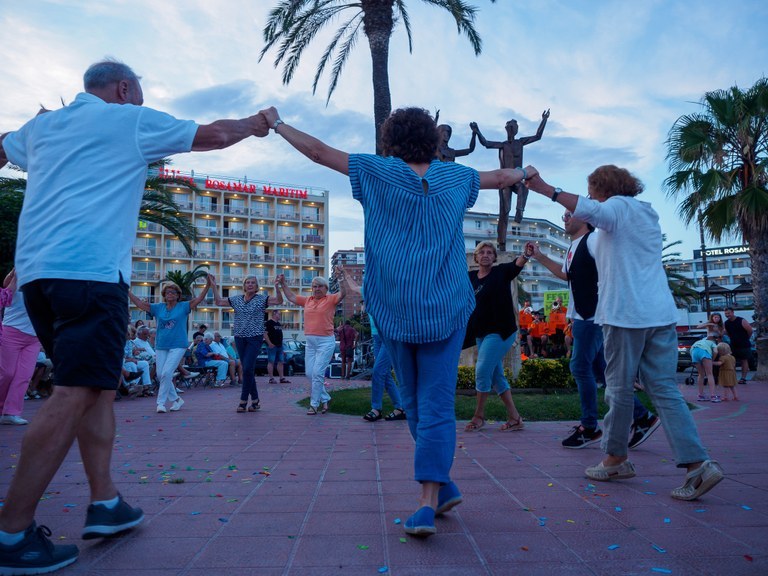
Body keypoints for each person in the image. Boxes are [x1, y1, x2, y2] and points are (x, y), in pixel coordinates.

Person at [0, 58, 270, 573]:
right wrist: (257, 124)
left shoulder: (43, 126)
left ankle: (105, 502)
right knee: (74, 391)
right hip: (91, 274)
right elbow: (212, 135)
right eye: (140, 93)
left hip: (37, 276)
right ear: (123, 88)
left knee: (96, 387)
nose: (143, 102)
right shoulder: (127, 119)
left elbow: (2, 144)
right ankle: (12, 532)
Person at [259, 104, 537, 537]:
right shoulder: (457, 177)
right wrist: (527, 174)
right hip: (445, 308)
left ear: (391, 140)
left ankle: (427, 502)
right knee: (435, 404)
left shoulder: (373, 171)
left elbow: (317, 152)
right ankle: (438, 489)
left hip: (393, 307)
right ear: (432, 140)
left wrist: (276, 124)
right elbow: (502, 178)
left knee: (413, 403)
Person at [525, 165, 723, 500]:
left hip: (626, 316)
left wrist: (545, 188)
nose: (586, 200)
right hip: (659, 315)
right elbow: (577, 267)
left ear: (603, 190)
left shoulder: (618, 208)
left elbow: (596, 211)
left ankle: (615, 458)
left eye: (590, 192)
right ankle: (698, 465)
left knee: (617, 390)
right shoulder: (640, 217)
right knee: (664, 390)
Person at [533, 210, 661, 450]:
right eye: (563, 216)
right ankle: (642, 417)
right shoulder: (573, 247)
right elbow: (565, 275)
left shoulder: (592, 240)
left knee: (580, 367)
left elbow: (614, 265)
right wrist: (540, 256)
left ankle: (590, 426)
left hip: (592, 316)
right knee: (601, 370)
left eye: (570, 214)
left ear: (586, 218)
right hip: (583, 315)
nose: (565, 218)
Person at [464, 241, 532, 433]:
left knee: (482, 370)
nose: (485, 255)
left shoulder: (501, 272)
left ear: (494, 258)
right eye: (481, 252)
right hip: (481, 334)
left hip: (501, 332)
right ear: (476, 258)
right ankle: (515, 418)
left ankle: (479, 416)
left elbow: (516, 265)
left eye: (489, 252)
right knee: (496, 376)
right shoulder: (470, 278)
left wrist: (526, 254)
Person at [470, 110, 549, 247]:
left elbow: (538, 136)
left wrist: (544, 120)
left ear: (517, 130)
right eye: (511, 127)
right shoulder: (503, 144)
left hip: (517, 177)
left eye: (514, 127)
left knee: (524, 188)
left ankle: (520, 210)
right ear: (507, 129)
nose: (512, 129)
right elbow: (486, 143)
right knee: (504, 211)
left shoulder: (520, 142)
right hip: (506, 180)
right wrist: (477, 132)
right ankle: (502, 242)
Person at [129, 279, 210, 413]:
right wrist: (127, 291)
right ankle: (176, 400)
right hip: (161, 345)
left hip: (178, 344)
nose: (170, 294)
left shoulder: (183, 306)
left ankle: (160, 403)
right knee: (161, 375)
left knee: (166, 373)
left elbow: (199, 299)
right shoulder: (158, 308)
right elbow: (139, 303)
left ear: (178, 295)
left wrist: (207, 285)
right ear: (164, 295)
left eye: (173, 292)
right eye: (167, 292)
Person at [209, 273, 283, 412]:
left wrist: (277, 286)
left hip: (255, 337)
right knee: (248, 369)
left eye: (253, 283)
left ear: (256, 287)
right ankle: (255, 400)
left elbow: (279, 300)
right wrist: (213, 286)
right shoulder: (236, 299)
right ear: (244, 286)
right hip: (239, 337)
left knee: (247, 368)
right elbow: (219, 302)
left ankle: (243, 401)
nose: (250, 284)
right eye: (247, 282)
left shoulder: (262, 299)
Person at [278, 274, 346, 415]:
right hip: (310, 342)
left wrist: (341, 279)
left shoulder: (330, 299)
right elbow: (291, 297)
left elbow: (343, 293)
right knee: (309, 374)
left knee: (317, 373)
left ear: (326, 288)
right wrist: (283, 284)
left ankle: (314, 405)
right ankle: (325, 398)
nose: (316, 289)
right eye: (314, 286)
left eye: (320, 286)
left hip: (325, 342)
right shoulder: (307, 300)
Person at [0, 272, 40, 426]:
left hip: (34, 338)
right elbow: (7, 283)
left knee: (24, 376)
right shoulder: (15, 284)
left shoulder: (43, 288)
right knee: (7, 373)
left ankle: (11, 413)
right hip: (11, 333)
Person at [723, 307, 753, 385]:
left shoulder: (741, 320)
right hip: (733, 345)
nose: (727, 315)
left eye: (728, 313)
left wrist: (746, 338)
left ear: (733, 312)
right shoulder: (726, 323)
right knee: (732, 362)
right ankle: (733, 378)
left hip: (744, 344)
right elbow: (727, 333)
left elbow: (750, 330)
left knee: (744, 360)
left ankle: (743, 378)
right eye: (726, 313)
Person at [690, 337, 720, 402]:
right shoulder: (712, 343)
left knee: (701, 374)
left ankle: (701, 395)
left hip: (694, 352)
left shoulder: (699, 341)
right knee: (709, 374)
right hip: (704, 352)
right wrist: (712, 359)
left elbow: (691, 349)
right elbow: (715, 351)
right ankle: (713, 396)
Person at [265, 310, 290, 384]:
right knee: (271, 361)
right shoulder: (269, 323)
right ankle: (271, 378)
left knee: (281, 362)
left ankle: (282, 378)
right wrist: (269, 343)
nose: (280, 315)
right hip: (272, 346)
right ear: (274, 314)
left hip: (279, 346)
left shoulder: (278, 324)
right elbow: (265, 334)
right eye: (279, 314)